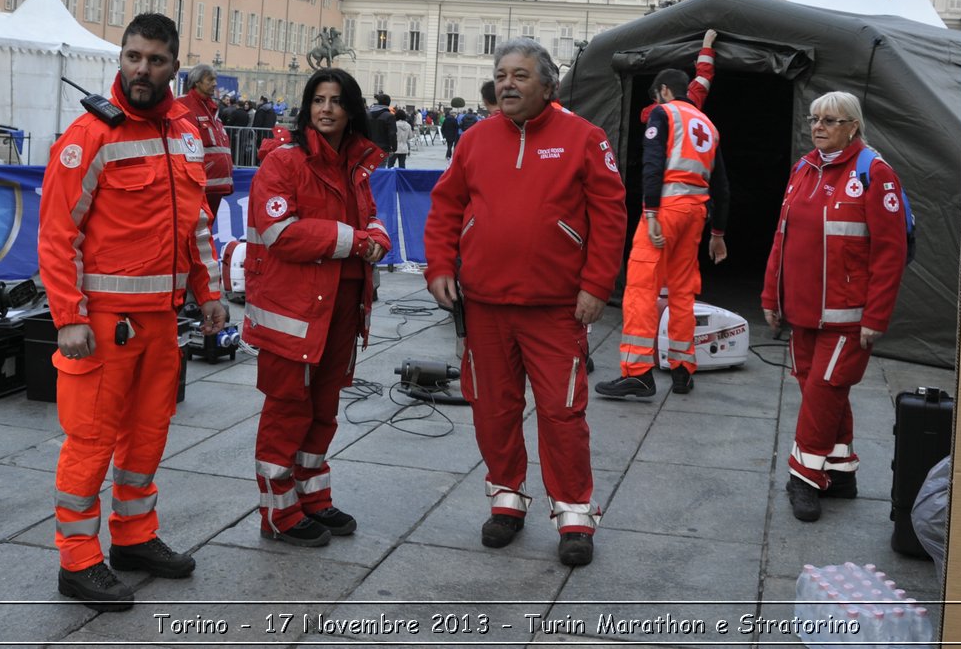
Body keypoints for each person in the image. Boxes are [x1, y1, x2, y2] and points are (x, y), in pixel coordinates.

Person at [38, 12, 227, 611]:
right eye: (133, 57)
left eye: (156, 60)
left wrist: (212, 291)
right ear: (120, 58)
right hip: (102, 325)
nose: (142, 70)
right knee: (91, 442)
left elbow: (198, 224)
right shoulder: (88, 136)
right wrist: (67, 316)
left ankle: (134, 538)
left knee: (147, 438)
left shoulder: (185, 132)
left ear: (175, 65)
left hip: (162, 321)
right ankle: (78, 559)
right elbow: (55, 234)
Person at [424, 38, 627, 568]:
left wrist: (596, 285)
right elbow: (446, 206)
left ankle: (575, 513)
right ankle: (506, 500)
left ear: (547, 84)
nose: (507, 83)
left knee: (563, 412)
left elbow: (610, 215)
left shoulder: (585, 138)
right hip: (485, 306)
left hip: (555, 308)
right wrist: (441, 267)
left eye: (519, 75)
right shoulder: (475, 139)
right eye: (501, 74)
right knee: (493, 408)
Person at [242, 68, 390, 546]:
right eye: (318, 100)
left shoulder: (354, 165)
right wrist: (357, 240)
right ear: (307, 107)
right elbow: (280, 233)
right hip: (293, 311)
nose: (326, 109)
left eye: (336, 100)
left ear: (351, 109)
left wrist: (378, 238)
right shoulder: (283, 163)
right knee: (288, 411)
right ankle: (278, 512)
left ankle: (312, 496)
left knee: (324, 409)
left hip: (342, 308)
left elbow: (370, 219)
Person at [762, 91, 908, 523]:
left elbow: (890, 253)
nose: (818, 126)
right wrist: (772, 296)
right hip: (801, 312)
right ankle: (841, 472)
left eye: (830, 120)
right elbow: (781, 238)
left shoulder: (876, 174)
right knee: (820, 391)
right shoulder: (803, 170)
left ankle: (803, 477)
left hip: (848, 318)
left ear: (853, 127)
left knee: (822, 393)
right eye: (814, 118)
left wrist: (876, 317)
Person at [595, 67, 728, 399]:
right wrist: (719, 232)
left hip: (666, 210)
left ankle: (637, 372)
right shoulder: (708, 125)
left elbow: (652, 163)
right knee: (682, 292)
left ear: (664, 91)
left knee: (641, 288)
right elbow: (722, 185)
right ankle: (682, 370)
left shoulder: (663, 114)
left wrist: (651, 212)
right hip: (696, 214)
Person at [171, 63, 233, 224]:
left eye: (215, 79)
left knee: (207, 228)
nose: (215, 83)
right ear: (197, 82)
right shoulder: (184, 105)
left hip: (217, 184)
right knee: (195, 229)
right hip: (199, 184)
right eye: (210, 79)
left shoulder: (212, 108)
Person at [366, 92, 397, 165]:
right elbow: (392, 134)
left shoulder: (367, 114)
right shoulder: (389, 116)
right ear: (388, 103)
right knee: (381, 172)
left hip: (368, 148)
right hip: (383, 148)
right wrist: (394, 148)